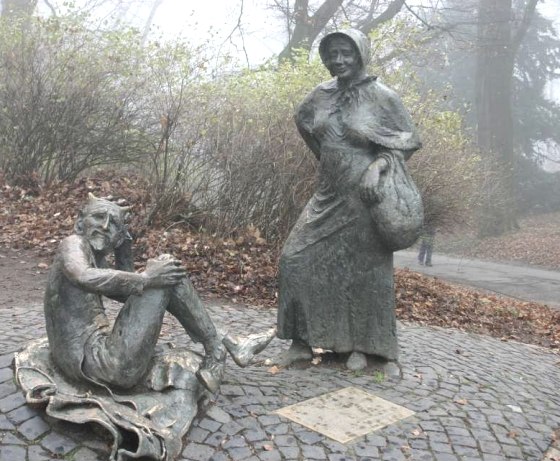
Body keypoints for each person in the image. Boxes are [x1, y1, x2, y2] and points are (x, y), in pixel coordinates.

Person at [275, 29, 422, 369]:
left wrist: (378, 166)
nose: (338, 60)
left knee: (363, 271)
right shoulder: (319, 95)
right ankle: (303, 340)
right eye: (332, 54)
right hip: (329, 194)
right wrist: (328, 158)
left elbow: (407, 141)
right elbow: (304, 123)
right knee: (295, 259)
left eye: (346, 52)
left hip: (365, 198)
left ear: (360, 54)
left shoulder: (382, 96)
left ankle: (368, 348)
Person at [45, 194, 273, 394]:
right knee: (166, 269)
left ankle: (223, 343)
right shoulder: (73, 244)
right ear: (79, 223)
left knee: (163, 274)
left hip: (90, 359)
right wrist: (147, 277)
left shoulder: (97, 256)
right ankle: (219, 347)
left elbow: (129, 295)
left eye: (113, 224)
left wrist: (124, 248)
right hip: (101, 364)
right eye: (98, 217)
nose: (105, 226)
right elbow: (83, 276)